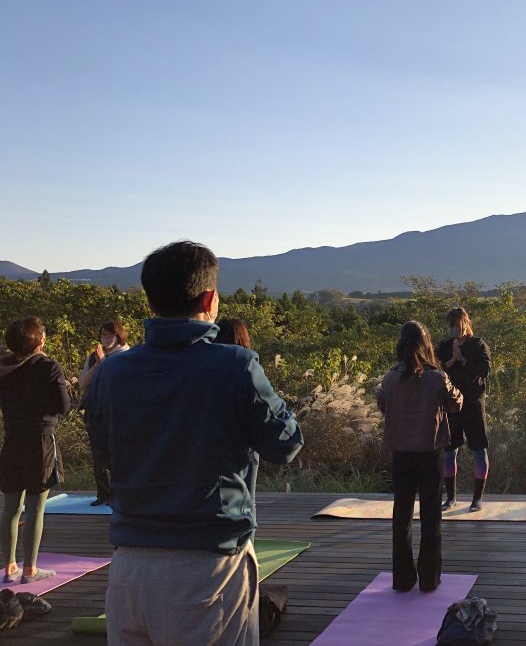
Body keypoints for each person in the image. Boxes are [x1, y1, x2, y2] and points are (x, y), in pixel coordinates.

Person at [85, 241, 303, 646]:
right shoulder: (236, 366)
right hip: (209, 566)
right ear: (209, 298)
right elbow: (285, 444)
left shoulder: (111, 373)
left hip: (128, 566)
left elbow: (105, 450)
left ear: (150, 301)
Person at [376, 321, 462, 592]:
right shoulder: (436, 377)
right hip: (429, 452)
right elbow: (456, 403)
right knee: (430, 516)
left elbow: (383, 405)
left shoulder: (389, 379)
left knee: (401, 517)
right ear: (426, 345)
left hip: (401, 453)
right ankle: (428, 578)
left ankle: (402, 579)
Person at [0, 316, 71, 584]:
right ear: (39, 342)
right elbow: (63, 407)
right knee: (35, 507)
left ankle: (9, 568)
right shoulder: (48, 367)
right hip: (40, 442)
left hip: (12, 442)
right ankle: (29, 570)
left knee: (10, 508)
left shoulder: (3, 367)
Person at [436, 307, 492, 512]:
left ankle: (477, 499)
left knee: (479, 449)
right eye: (451, 327)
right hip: (450, 405)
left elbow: (486, 369)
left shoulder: (478, 345)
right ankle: (450, 498)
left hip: (474, 403)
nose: (455, 330)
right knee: (449, 451)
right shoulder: (443, 346)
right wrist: (452, 359)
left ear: (466, 324)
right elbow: (434, 370)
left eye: (458, 326)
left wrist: (464, 360)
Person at [78, 319, 130, 506]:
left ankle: (119, 495)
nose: (105, 339)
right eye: (102, 335)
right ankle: (103, 494)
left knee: (118, 453)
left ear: (118, 336)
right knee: (98, 454)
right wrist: (98, 364)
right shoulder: (94, 357)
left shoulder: (127, 355)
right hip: (94, 410)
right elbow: (83, 382)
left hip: (118, 411)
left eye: (109, 335)